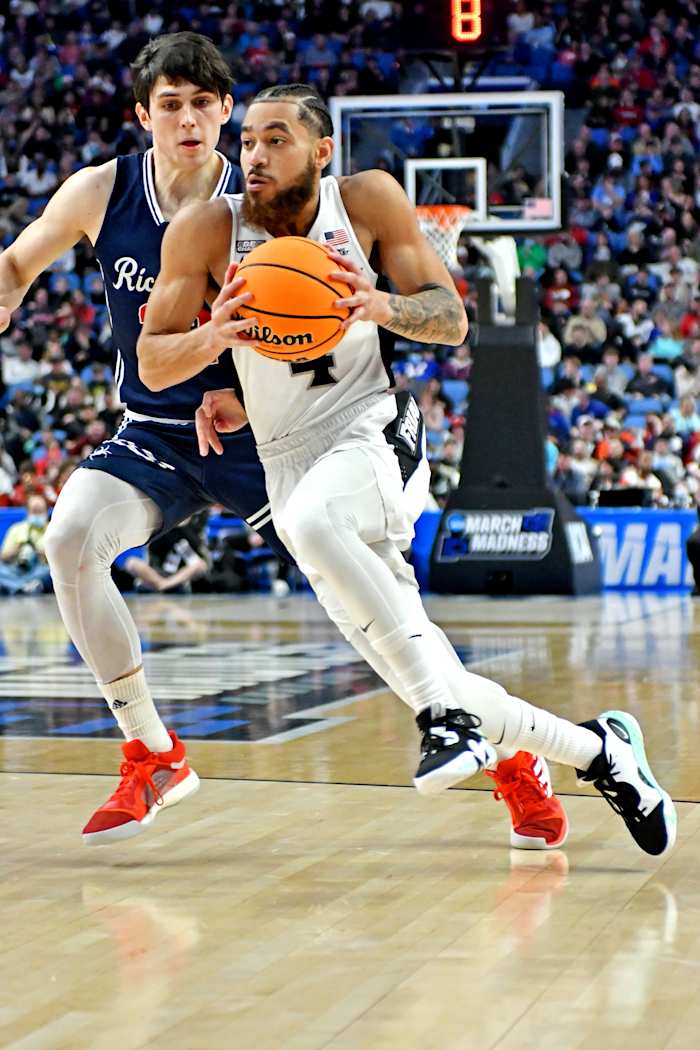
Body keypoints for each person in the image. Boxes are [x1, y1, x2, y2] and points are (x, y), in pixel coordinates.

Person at [139, 84, 676, 857]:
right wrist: (212, 342)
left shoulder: (364, 201)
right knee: (423, 662)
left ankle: (442, 722)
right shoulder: (205, 229)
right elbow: (153, 362)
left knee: (318, 531)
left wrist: (381, 307)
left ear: (322, 151)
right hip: (286, 459)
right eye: (249, 139)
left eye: (277, 139)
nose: (255, 154)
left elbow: (450, 319)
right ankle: (602, 752)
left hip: (372, 428)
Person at [0, 33, 291, 846]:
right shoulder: (101, 191)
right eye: (170, 105)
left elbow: (323, 338)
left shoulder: (268, 202)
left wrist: (246, 393)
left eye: (202, 104)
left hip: (264, 434)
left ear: (226, 111)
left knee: (373, 615)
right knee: (69, 539)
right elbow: (17, 263)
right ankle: (152, 752)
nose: (187, 120)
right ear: (143, 115)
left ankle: (513, 756)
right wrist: (6, 292)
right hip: (158, 431)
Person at [0, 493, 52, 595]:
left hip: (39, 570)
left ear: (46, 511)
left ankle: (15, 587)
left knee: (52, 573)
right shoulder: (16, 529)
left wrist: (39, 552)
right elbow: (3, 556)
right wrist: (18, 549)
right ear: (28, 511)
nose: (37, 514)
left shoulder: (52, 530)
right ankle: (25, 587)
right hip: (15, 569)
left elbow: (59, 559)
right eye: (34, 511)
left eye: (40, 511)